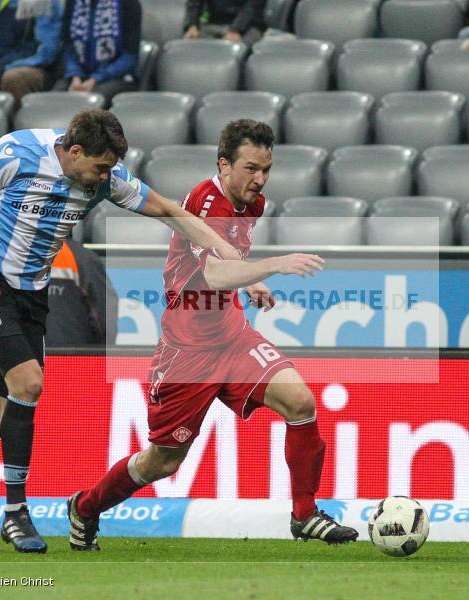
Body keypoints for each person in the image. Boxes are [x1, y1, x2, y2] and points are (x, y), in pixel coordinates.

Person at [0, 109, 242, 554]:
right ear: (74, 152)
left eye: (110, 168)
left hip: (32, 293)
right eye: (100, 167)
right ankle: (15, 514)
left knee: (2, 418)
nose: (106, 177)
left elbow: (167, 209)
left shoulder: (104, 177)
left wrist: (225, 247)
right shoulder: (16, 153)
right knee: (29, 384)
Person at [65, 119, 359, 552]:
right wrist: (273, 265)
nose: (259, 180)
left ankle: (305, 514)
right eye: (251, 168)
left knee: (300, 402)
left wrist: (249, 280)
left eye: (267, 169)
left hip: (232, 336)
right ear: (223, 164)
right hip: (187, 353)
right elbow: (216, 271)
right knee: (163, 460)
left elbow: (227, 264)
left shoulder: (251, 204)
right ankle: (86, 508)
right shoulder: (206, 201)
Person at [56, 0, 141, 101]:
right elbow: (68, 48)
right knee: (54, 99)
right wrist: (75, 75)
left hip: (115, 77)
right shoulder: (73, 2)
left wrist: (96, 79)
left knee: (90, 103)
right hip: (79, 75)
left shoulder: (129, 3)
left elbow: (130, 58)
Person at [45, 238, 119, 347]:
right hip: (74, 358)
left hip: (22, 359)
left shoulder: (14, 256)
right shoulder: (81, 257)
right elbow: (105, 321)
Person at [183, 0, 266, 46]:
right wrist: (192, 26)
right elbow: (194, 3)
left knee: (237, 49)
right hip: (214, 24)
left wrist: (236, 30)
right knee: (191, 46)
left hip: (248, 27)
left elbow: (252, 8)